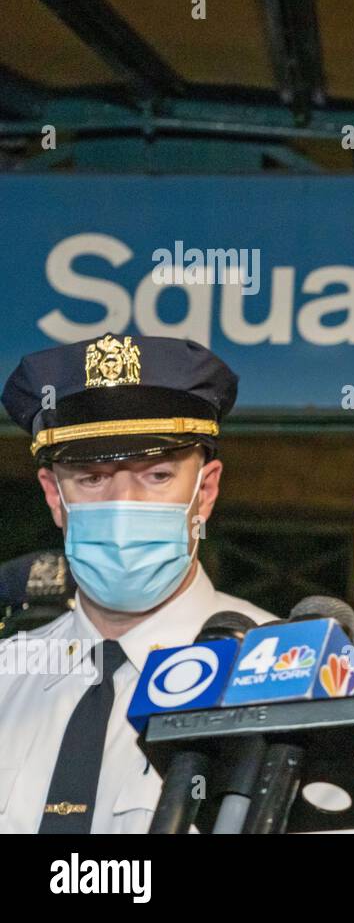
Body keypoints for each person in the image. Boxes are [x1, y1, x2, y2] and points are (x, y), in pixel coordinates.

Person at [0, 333, 273, 833]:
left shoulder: (285, 677)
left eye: (157, 475)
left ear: (205, 490)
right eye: (92, 478)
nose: (123, 503)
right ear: (55, 497)